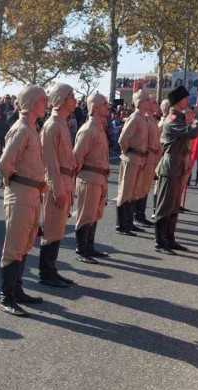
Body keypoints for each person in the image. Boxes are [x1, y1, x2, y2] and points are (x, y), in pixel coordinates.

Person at [0, 85, 48, 317]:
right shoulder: (21, 129)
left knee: (26, 244)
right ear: (31, 102)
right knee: (14, 246)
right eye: (43, 100)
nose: (46, 104)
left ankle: (17, 291)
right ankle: (6, 297)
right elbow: (5, 164)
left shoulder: (32, 128)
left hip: (32, 194)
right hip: (21, 194)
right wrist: (15, 185)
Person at [37, 83, 78, 289]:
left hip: (66, 182)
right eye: (71, 96)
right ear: (62, 99)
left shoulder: (62, 122)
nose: (75, 100)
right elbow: (50, 162)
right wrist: (57, 189)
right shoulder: (52, 125)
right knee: (52, 230)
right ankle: (46, 273)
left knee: (59, 229)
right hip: (58, 184)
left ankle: (52, 271)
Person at [154, 86, 198, 255]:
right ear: (178, 101)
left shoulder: (180, 118)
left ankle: (170, 239)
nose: (189, 101)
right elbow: (192, 133)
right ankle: (160, 241)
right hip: (170, 165)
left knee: (174, 206)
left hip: (178, 164)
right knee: (165, 205)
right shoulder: (173, 118)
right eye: (186, 98)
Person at [73, 92, 112, 263]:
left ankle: (90, 247)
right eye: (104, 104)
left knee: (95, 213)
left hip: (100, 177)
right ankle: (81, 250)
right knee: (86, 214)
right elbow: (77, 157)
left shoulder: (99, 127)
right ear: (95, 107)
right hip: (89, 177)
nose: (107, 107)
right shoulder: (88, 129)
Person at [116, 90, 153, 235]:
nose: (149, 102)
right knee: (126, 191)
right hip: (132, 157)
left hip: (140, 159)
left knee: (133, 192)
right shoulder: (135, 118)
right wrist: (127, 152)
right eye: (147, 100)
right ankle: (122, 225)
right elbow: (123, 139)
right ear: (141, 102)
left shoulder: (143, 118)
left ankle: (129, 223)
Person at [132, 99, 161, 228]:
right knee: (140, 188)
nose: (157, 105)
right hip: (147, 157)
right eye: (154, 103)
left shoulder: (153, 120)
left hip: (153, 157)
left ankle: (141, 214)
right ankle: (136, 216)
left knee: (145, 188)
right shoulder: (145, 120)